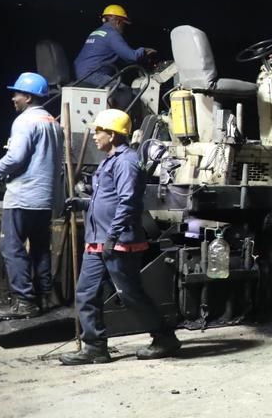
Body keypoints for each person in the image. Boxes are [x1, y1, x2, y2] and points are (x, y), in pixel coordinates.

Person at [59, 109, 181, 365]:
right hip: (96, 241)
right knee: (86, 293)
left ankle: (164, 338)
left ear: (113, 134)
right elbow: (106, 199)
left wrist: (112, 238)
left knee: (129, 294)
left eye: (99, 131)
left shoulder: (126, 162)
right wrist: (83, 204)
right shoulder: (109, 160)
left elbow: (128, 202)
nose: (95, 136)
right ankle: (95, 347)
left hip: (118, 242)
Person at [0, 72, 65, 320]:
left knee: (12, 248)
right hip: (44, 198)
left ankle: (24, 302)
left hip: (23, 196)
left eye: (16, 94)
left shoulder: (24, 122)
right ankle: (45, 297)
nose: (13, 99)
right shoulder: (53, 123)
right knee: (40, 249)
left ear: (28, 97)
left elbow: (16, 158)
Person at [72, 4, 156, 87]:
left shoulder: (96, 32)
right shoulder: (112, 34)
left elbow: (118, 57)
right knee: (125, 92)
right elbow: (132, 56)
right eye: (124, 24)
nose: (124, 28)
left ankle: (110, 100)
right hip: (93, 75)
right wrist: (144, 50)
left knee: (114, 86)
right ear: (118, 22)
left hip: (80, 73)